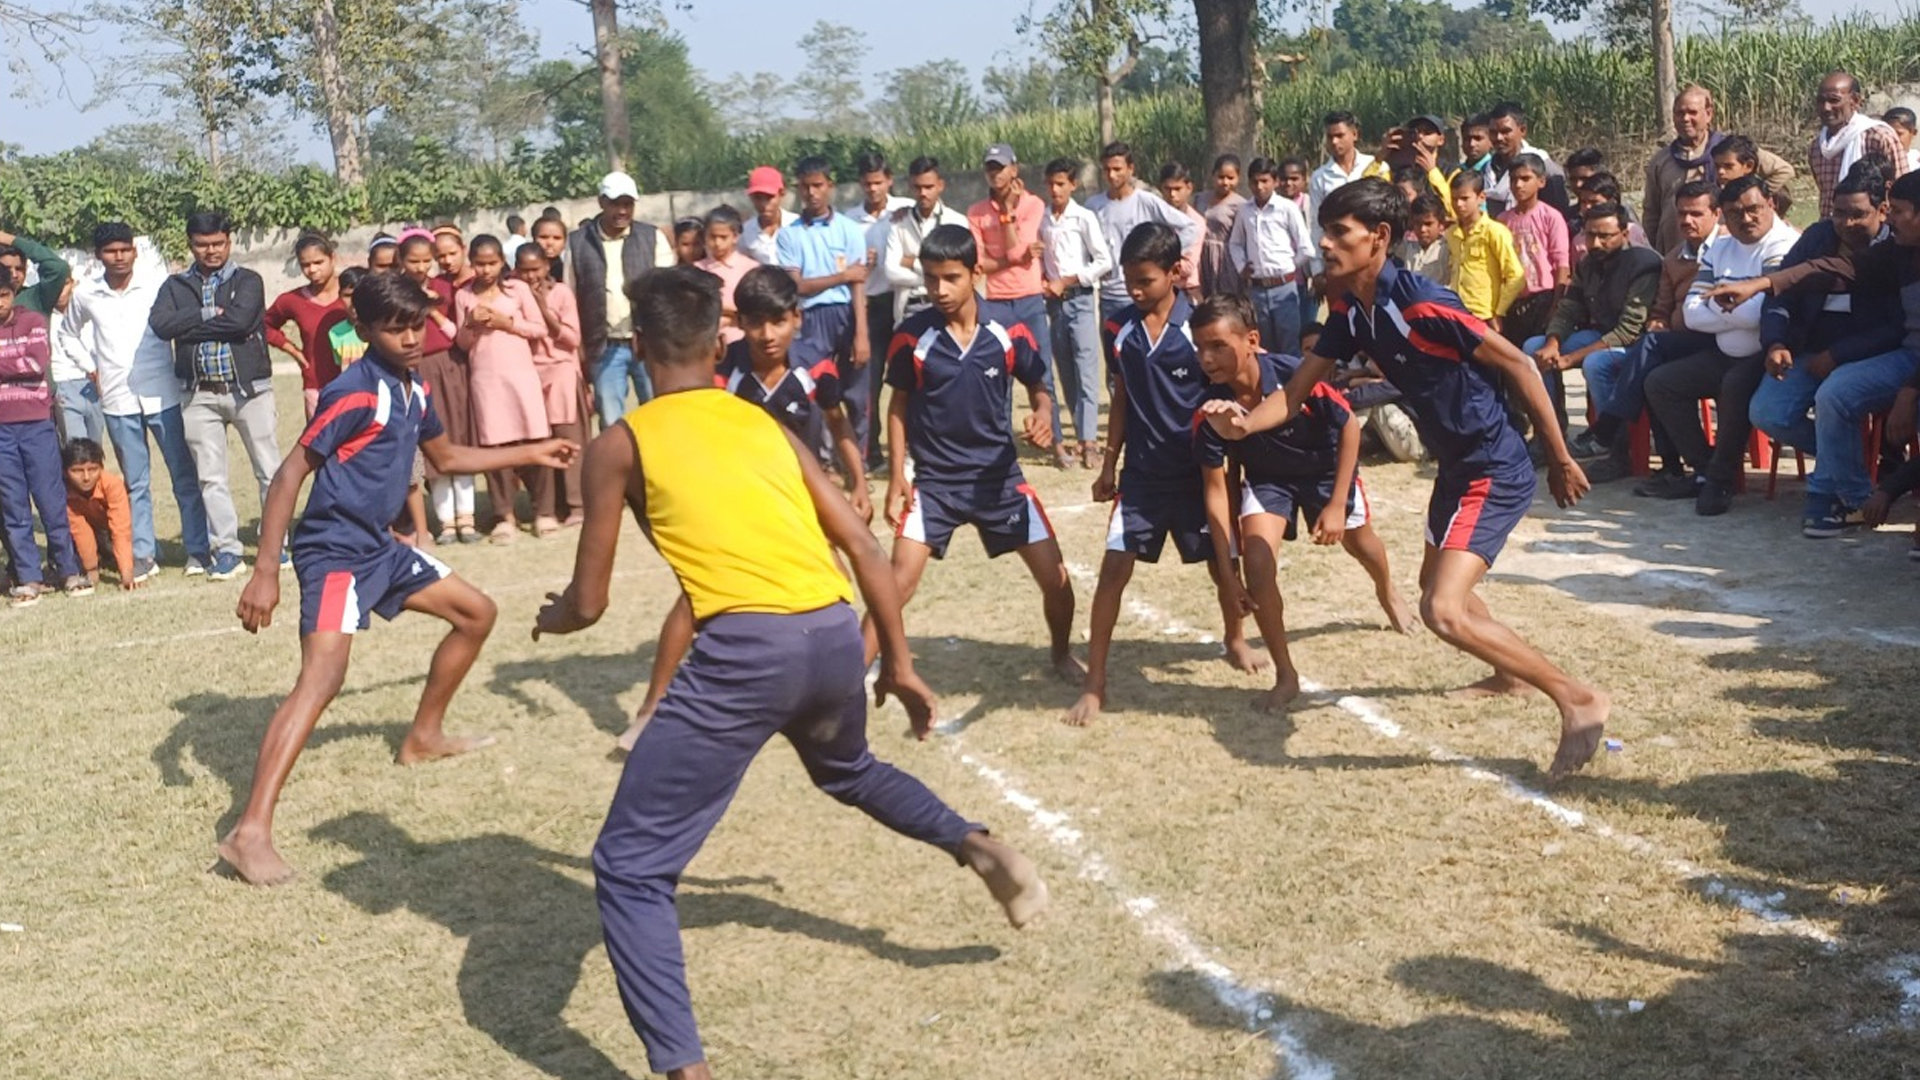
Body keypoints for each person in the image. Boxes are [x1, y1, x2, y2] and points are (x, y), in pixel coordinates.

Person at [531, 264, 1046, 1080]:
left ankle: (683, 1069)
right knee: (848, 769)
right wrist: (901, 663)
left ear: (638, 348)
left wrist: (555, 614)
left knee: (630, 866)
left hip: (746, 653)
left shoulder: (619, 444)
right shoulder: (763, 427)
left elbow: (589, 604)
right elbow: (867, 547)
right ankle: (978, 845)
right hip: (833, 632)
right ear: (719, 342)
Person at [1205, 178, 1608, 781]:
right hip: (1455, 467)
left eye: (1340, 232)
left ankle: (1576, 698)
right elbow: (1291, 397)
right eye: (1325, 229)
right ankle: (1507, 676)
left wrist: (1561, 455)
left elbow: (1520, 364)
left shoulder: (1424, 304)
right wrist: (1241, 425)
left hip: (1493, 466)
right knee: (1441, 587)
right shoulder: (1351, 311)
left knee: (1442, 611)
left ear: (1380, 238)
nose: (1326, 242)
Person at [219, 273, 576, 887]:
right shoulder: (354, 392)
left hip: (380, 548)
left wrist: (532, 450)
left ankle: (423, 736)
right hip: (333, 553)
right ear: (364, 332)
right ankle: (248, 833)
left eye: (417, 325)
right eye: (396, 328)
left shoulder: (411, 387)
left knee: (477, 613)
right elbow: (287, 477)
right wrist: (264, 573)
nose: (411, 338)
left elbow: (446, 459)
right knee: (322, 679)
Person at [616, 266, 874, 753]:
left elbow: (839, 427)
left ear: (796, 319)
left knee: (835, 583)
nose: (766, 334)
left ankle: (832, 685)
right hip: (737, 499)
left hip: (801, 497)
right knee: (695, 596)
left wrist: (858, 481)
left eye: (777, 322)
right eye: (755, 323)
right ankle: (652, 705)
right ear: (738, 326)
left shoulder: (817, 367)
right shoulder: (724, 368)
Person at [1065, 223, 1256, 728]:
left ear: (1175, 273)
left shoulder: (1201, 331)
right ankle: (1095, 682)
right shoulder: (1119, 330)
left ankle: (1235, 639)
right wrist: (1110, 464)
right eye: (1128, 281)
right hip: (1143, 480)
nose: (1134, 290)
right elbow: (1123, 395)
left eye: (1144, 281)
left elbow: (1228, 395)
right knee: (1112, 573)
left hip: (1196, 475)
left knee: (1222, 564)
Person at [871, 224, 1079, 680]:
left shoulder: (1008, 332)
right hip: (936, 484)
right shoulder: (911, 337)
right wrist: (896, 479)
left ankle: (1061, 656)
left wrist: (1043, 415)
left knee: (1057, 580)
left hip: (1000, 481)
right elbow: (898, 408)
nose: (939, 290)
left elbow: (1040, 390)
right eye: (930, 279)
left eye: (950, 278)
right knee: (895, 584)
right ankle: (847, 675)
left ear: (976, 273)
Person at [1193, 295, 1415, 710]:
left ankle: (1387, 591)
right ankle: (1286, 674)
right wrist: (1229, 572)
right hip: (1268, 479)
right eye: (1200, 347)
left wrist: (1334, 505)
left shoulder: (1295, 374)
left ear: (1252, 340)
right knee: (1259, 567)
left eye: (1218, 346)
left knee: (1360, 541)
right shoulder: (1209, 407)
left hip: (1325, 469)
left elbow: (1348, 425)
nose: (1207, 358)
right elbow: (1217, 491)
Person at [1720, 165, 1920, 536]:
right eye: (1838, 213)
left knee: (1836, 393)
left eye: (1896, 211)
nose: (1845, 223)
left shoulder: (1890, 245)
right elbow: (1824, 268)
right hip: (1812, 353)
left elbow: (1894, 328)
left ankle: (1835, 496)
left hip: (1877, 356)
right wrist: (1766, 300)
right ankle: (1853, 477)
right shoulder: (1886, 249)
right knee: (1768, 412)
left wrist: (1848, 359)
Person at [1641, 175, 1800, 516]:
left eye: (1753, 209)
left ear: (1770, 204)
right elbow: (1691, 314)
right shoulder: (1721, 248)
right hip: (1723, 349)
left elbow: (1763, 315)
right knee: (1661, 382)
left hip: (1769, 353)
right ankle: (1705, 468)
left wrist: (1721, 303)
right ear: (1724, 215)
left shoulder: (1784, 244)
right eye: (1735, 213)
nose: (1746, 218)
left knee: (1734, 385)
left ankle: (1720, 479)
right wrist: (1738, 305)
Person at [66, 222, 207, 581]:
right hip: (117, 398)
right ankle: (144, 553)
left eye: (125, 249)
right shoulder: (87, 294)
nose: (119, 257)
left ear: (135, 251)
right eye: (111, 251)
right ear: (98, 256)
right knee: (136, 482)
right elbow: (68, 333)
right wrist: (89, 367)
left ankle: (197, 549)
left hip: (163, 393)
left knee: (183, 475)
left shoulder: (157, 286)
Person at [148, 210, 281, 581]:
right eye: (202, 244)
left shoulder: (249, 280)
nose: (211, 251)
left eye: (218, 243)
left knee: (269, 470)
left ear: (229, 241)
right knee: (210, 477)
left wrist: (188, 327)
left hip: (249, 391)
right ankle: (226, 551)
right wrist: (208, 312)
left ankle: (275, 544)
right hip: (199, 395)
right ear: (190, 244)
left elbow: (241, 322)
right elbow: (161, 325)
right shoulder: (174, 286)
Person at [1575, 181, 1723, 484]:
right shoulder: (1674, 258)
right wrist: (1659, 320)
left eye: (1696, 213)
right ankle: (1672, 467)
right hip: (1683, 341)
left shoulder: (1728, 249)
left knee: (1650, 351)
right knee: (1652, 371)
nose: (1686, 221)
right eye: (1681, 214)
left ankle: (1608, 428)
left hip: (1721, 340)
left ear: (1716, 214)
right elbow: (1661, 307)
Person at [1522, 202, 1663, 433]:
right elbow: (1569, 309)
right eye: (1590, 235)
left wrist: (1572, 358)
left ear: (1625, 234)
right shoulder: (1588, 264)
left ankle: (1614, 445)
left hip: (1637, 344)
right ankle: (1550, 434)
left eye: (1605, 236)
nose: (1596, 243)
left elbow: (1628, 331)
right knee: (1533, 348)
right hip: (1600, 335)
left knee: (1596, 364)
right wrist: (1552, 343)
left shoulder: (1644, 265)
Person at [967, 144, 1065, 465]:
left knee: (1041, 372)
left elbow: (1014, 247)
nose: (995, 174)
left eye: (1001, 167)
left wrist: (1008, 214)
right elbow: (982, 263)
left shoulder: (1034, 204)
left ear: (1014, 169)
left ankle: (1057, 441)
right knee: (999, 377)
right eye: (990, 168)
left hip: (1028, 298)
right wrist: (1012, 258)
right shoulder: (976, 211)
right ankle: (1000, 445)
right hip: (995, 301)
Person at [779, 156, 875, 473]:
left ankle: (856, 465)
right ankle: (822, 464)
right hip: (810, 318)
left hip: (847, 314)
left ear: (830, 186)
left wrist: (861, 333)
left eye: (818, 185)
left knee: (857, 395)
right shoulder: (789, 234)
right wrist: (841, 277)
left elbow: (859, 283)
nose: (812, 193)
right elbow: (798, 287)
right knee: (817, 391)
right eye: (805, 187)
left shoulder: (849, 229)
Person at [455, 235, 555, 541]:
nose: (486, 270)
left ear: (503, 262)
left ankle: (544, 512)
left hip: (521, 376)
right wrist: (471, 324)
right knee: (495, 446)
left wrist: (506, 322)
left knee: (535, 440)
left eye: (492, 263)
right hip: (485, 379)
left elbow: (539, 329)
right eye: (480, 264)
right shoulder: (464, 296)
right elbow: (461, 344)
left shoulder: (518, 289)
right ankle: (504, 516)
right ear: (471, 263)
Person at [0, 266, 86, 604]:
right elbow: (20, 366)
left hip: (36, 423)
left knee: (51, 500)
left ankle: (68, 570)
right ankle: (29, 577)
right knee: (13, 504)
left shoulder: (32, 321)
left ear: (13, 293)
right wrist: (13, 366)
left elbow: (36, 363)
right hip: (2, 430)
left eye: (3, 296)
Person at [569, 171, 671, 429]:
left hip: (647, 344)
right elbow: (571, 296)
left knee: (658, 412)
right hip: (604, 347)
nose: (623, 210)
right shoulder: (579, 243)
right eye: (616, 203)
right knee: (611, 420)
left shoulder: (651, 237)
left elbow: (666, 290)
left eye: (628, 204)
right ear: (601, 201)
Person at [1641, 87, 1796, 255]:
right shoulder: (1661, 160)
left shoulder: (1728, 150)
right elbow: (1651, 211)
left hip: (1725, 246)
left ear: (1708, 114)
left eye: (1692, 112)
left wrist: (1752, 197)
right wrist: (1651, 249)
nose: (1685, 118)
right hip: (1674, 249)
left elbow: (1783, 170)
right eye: (1679, 113)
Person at [399, 232, 478, 543]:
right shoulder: (396, 291)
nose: (420, 267)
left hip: (450, 366)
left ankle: (467, 518)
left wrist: (431, 309)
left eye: (425, 261)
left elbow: (454, 333)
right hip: (417, 370)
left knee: (458, 439)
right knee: (431, 446)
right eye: (413, 261)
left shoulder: (444, 288)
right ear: (401, 262)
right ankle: (445, 521)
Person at [1040, 157, 1114, 469]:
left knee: (1086, 371)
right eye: (1051, 184)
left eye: (1062, 184)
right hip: (1053, 303)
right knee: (1066, 372)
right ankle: (1079, 434)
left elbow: (1104, 261)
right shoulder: (1042, 219)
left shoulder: (1083, 217)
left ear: (1073, 185)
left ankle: (1090, 443)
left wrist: (1068, 280)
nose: (1056, 190)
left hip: (1080, 298)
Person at [845, 151, 915, 466]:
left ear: (889, 181)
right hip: (869, 306)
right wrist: (861, 264)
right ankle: (870, 450)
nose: (873, 189)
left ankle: (914, 447)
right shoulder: (849, 220)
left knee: (910, 379)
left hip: (900, 301)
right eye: (867, 183)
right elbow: (844, 265)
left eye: (878, 182)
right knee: (868, 383)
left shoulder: (905, 211)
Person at [515, 243, 588, 531]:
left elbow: (572, 339)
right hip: (530, 373)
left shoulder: (561, 293)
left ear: (546, 266)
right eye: (525, 270)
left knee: (568, 439)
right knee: (539, 441)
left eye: (536, 269)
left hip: (560, 371)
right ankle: (548, 503)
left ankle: (576, 503)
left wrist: (543, 309)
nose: (531, 276)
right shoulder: (514, 294)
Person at [1085, 141, 1201, 313]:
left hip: (1143, 293)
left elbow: (1190, 228)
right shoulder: (1093, 206)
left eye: (1117, 169)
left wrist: (1163, 256)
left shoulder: (1146, 201)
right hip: (1109, 295)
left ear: (1130, 169)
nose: (1112, 175)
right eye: (1107, 169)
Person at [1227, 156, 1314, 358]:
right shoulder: (1245, 211)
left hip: (1284, 289)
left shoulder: (1287, 208)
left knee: (1289, 343)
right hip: (1256, 288)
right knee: (1263, 345)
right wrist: (1241, 266)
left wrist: (1287, 267)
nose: (1259, 186)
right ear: (1248, 183)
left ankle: (1292, 388)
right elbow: (1235, 243)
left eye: (1265, 181)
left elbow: (1306, 248)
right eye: (1255, 181)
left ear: (1275, 182)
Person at [265, 234, 347, 421]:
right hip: (316, 385)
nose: (313, 270)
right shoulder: (292, 301)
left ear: (332, 258)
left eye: (319, 262)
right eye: (305, 265)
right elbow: (265, 325)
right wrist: (293, 351)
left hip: (358, 382)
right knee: (320, 443)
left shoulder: (353, 292)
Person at [1497, 153, 1572, 352]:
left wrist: (1556, 305)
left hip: (1543, 298)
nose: (1518, 185)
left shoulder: (1551, 217)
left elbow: (1561, 262)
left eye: (1525, 179)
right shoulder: (1502, 220)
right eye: (1513, 180)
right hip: (1512, 301)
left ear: (1541, 181)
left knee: (1540, 355)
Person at [1809, 71, 1910, 219]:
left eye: (1834, 100)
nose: (1826, 107)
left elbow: (1904, 189)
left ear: (1855, 101)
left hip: (1875, 232)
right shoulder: (1817, 147)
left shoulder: (1879, 137)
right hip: (1832, 230)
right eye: (1821, 101)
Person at [883, 156, 968, 323]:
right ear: (910, 186)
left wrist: (911, 263)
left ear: (940, 186)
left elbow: (962, 270)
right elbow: (891, 271)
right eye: (917, 187)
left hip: (948, 308)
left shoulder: (956, 221)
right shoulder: (899, 222)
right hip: (910, 308)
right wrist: (935, 278)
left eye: (929, 187)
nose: (923, 193)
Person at [1446, 170, 1525, 331]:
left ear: (1481, 197)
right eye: (1454, 199)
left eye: (1465, 198)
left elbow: (1516, 275)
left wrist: (1498, 312)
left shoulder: (1494, 231)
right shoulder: (1451, 234)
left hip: (1484, 316)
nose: (1459, 204)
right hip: (1455, 312)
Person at [62, 437, 135, 590]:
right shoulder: (65, 492)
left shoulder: (112, 484)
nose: (86, 477)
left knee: (123, 546)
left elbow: (120, 528)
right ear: (65, 472)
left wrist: (126, 572)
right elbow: (80, 531)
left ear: (101, 468)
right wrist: (91, 569)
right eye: (77, 471)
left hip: (114, 527)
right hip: (92, 529)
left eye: (93, 469)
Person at [1308, 111, 1388, 250]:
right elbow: (1316, 223)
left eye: (1340, 136)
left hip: (1371, 246)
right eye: (1330, 137)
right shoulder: (1319, 177)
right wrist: (1318, 263)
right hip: (1338, 249)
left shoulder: (1376, 166)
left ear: (1355, 134)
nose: (1334, 142)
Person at [1482, 102, 1570, 218]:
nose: (1499, 138)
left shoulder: (1543, 166)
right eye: (1493, 132)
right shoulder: (1487, 169)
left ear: (1522, 130)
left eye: (1505, 131)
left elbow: (1559, 211)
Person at [49, 279, 105, 444]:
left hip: (94, 382)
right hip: (63, 384)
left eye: (64, 284)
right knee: (76, 449)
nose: (60, 291)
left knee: (96, 445)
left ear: (73, 284)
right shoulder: (45, 318)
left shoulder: (88, 311)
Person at [693, 204, 754, 346]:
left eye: (723, 237)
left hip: (741, 343)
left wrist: (720, 310)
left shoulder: (750, 269)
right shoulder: (696, 270)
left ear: (735, 237)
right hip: (706, 346)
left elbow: (753, 310)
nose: (717, 243)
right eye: (712, 237)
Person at [1156, 161, 1209, 301]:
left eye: (1177, 189)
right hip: (1158, 290)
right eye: (1167, 189)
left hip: (1186, 290)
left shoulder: (1195, 222)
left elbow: (1188, 267)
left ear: (1189, 188)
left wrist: (1158, 261)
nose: (1172, 194)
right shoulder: (1155, 218)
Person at [1710, 135, 1795, 219]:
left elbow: (1786, 170)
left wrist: (1760, 193)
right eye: (1717, 166)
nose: (1720, 171)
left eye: (1728, 166)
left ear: (1748, 166)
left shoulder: (1759, 159)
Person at [1197, 153, 1246, 297]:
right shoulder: (1200, 198)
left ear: (1238, 178)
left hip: (1226, 260)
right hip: (1201, 256)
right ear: (1213, 175)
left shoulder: (1240, 205)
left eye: (1230, 178)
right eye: (1221, 177)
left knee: (1226, 302)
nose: (1225, 182)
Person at [0, 227, 71, 315]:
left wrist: (10, 239)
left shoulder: (38, 298)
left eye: (19, 269)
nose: (14, 275)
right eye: (7, 269)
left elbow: (58, 267)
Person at [744, 165, 798, 266]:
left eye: (769, 197)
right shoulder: (746, 232)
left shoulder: (797, 226)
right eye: (758, 198)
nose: (764, 204)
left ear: (782, 194)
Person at [1397, 193, 1451, 284]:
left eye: (1428, 224)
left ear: (1441, 224)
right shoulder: (1408, 248)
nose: (1422, 229)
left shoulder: (1447, 249)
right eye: (1417, 223)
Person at [327, 267, 370, 370]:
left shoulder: (379, 329)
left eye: (360, 295)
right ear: (340, 296)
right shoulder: (335, 333)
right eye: (348, 296)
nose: (354, 302)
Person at [433, 226, 474, 290]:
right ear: (435, 257)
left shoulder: (479, 281)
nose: (448, 261)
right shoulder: (436, 285)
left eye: (453, 254)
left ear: (464, 250)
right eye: (441, 256)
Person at [531, 216, 569, 283]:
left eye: (557, 238)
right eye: (544, 237)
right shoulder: (524, 272)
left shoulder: (570, 271)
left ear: (565, 242)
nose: (550, 243)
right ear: (534, 238)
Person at [1886, 107, 1920, 173]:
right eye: (1887, 133)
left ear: (1913, 132)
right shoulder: (1877, 161)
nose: (1893, 138)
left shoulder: (1917, 161)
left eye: (1899, 134)